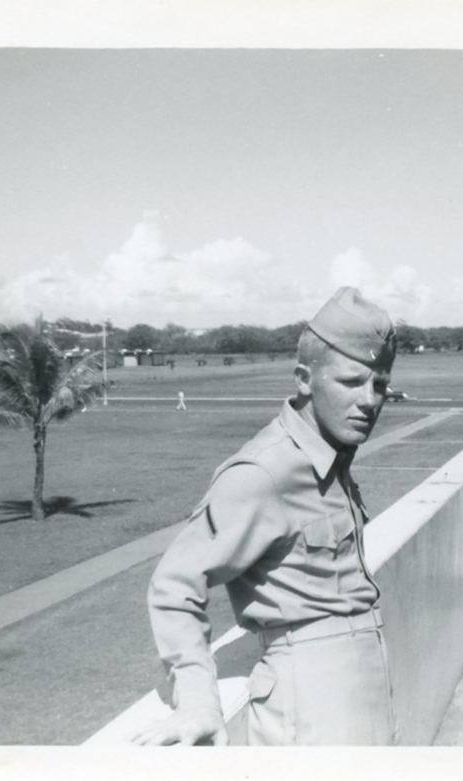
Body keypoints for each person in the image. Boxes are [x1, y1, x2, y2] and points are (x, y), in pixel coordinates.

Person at [136, 287, 398, 747]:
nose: (369, 400)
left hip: (366, 687)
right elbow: (173, 585)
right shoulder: (264, 471)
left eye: (379, 385)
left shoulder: (332, 457)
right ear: (304, 379)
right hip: (309, 701)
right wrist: (197, 699)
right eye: (351, 382)